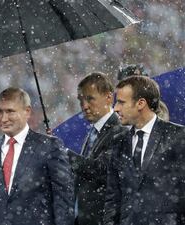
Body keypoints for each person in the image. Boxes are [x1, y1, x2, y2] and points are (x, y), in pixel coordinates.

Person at [104, 76, 185, 225]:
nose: (116, 108)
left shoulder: (177, 135)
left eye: (121, 102)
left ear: (141, 103)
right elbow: (113, 198)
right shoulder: (119, 141)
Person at [0, 87, 74, 225]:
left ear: (27, 112)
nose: (4, 118)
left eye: (10, 111)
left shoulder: (49, 146)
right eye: (0, 112)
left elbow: (63, 200)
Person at [74, 72, 126, 225]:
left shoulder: (120, 130)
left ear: (109, 97)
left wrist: (63, 154)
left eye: (90, 98)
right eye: (81, 100)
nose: (84, 106)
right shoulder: (92, 131)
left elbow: (102, 170)